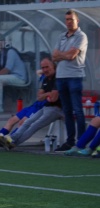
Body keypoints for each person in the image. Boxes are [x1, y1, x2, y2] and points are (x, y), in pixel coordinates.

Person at [0, 58, 62, 150]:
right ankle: (11, 140)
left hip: (57, 108)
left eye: (47, 67)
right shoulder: (46, 79)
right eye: (43, 68)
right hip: (46, 107)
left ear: (54, 67)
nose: (45, 70)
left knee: (34, 125)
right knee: (28, 122)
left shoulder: (58, 78)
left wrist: (46, 94)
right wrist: (48, 94)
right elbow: (39, 97)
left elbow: (53, 98)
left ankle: (13, 142)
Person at [52, 9, 88, 152]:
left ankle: (81, 142)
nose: (68, 22)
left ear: (77, 21)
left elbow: (71, 56)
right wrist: (63, 55)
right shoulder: (62, 36)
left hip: (74, 76)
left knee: (78, 110)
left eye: (71, 19)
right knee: (67, 110)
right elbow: (54, 57)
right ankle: (69, 141)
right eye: (66, 19)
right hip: (61, 77)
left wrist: (62, 55)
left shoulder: (81, 36)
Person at [0, 33, 28, 114]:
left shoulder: (10, 51)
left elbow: (7, 70)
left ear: (4, 42)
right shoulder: (2, 53)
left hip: (19, 77)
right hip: (10, 76)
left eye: (1, 41)